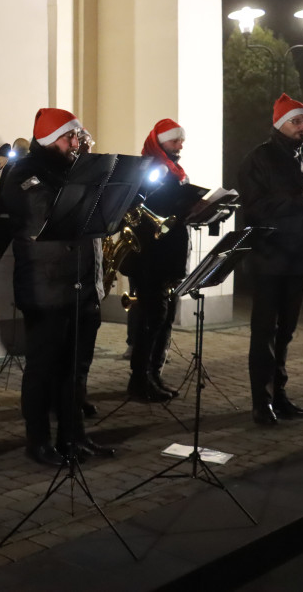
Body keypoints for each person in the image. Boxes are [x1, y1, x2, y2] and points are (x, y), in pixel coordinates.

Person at [0, 108, 113, 467]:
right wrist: (86, 179)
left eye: (79, 137)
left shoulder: (71, 169)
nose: (77, 144)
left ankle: (74, 436)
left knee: (76, 369)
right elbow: (44, 213)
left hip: (81, 285)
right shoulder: (25, 171)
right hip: (46, 288)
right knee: (43, 369)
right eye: (70, 137)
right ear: (50, 139)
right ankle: (38, 442)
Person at [238, 93, 303, 426]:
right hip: (270, 258)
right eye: (296, 121)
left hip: (299, 256)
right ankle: (261, 403)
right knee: (265, 333)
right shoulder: (258, 159)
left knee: (286, 333)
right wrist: (301, 197)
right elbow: (254, 208)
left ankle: (279, 396)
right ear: (280, 123)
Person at [125, 118, 191, 403]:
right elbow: (137, 209)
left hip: (170, 256)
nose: (179, 147)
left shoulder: (176, 171)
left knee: (164, 319)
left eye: (181, 142)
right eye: (174, 141)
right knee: (151, 319)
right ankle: (139, 379)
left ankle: (154, 374)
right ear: (159, 142)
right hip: (149, 258)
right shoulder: (146, 169)